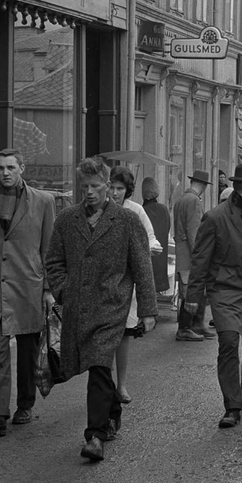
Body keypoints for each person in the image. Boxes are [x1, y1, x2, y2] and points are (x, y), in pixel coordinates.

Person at [45, 156, 157, 462]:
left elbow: (142, 267)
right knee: (98, 365)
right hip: (79, 307)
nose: (90, 192)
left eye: (96, 186)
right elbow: (53, 261)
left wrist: (148, 310)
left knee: (97, 363)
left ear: (108, 186)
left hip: (112, 305)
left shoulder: (126, 221)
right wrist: (63, 289)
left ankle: (94, 435)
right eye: (85, 186)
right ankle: (112, 411)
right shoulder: (67, 220)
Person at [185, 163, 242, 427]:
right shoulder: (215, 217)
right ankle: (232, 406)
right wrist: (194, 297)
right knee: (227, 343)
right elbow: (200, 259)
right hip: (226, 289)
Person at [0, 147, 56, 436]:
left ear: (22, 168)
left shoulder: (44, 201)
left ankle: (25, 404)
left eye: (10, 167)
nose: (5, 173)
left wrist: (48, 289)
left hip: (29, 285)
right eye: (0, 168)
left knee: (27, 350)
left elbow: (49, 249)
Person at [108, 165, 160, 405]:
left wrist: (150, 247)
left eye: (119, 188)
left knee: (122, 337)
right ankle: (105, 385)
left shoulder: (136, 211)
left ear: (127, 190)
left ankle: (121, 384)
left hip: (127, 283)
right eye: (111, 187)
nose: (115, 192)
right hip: (103, 284)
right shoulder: (99, 209)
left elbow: (149, 238)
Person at [174, 170, 213, 342]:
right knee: (192, 288)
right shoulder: (194, 201)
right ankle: (186, 327)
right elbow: (194, 232)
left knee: (188, 287)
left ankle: (194, 324)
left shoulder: (181, 199)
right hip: (190, 254)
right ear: (204, 185)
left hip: (181, 251)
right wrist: (200, 255)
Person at [142, 177, 172, 297]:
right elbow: (168, 227)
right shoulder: (164, 209)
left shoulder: (142, 211)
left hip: (147, 255)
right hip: (161, 253)